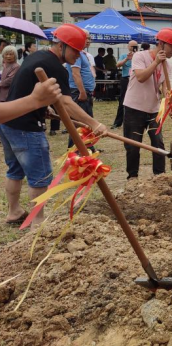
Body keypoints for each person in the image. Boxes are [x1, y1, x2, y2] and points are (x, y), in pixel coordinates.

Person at [0, 24, 106, 227]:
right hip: (27, 128)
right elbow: (66, 102)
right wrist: (94, 123)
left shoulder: (37, 57)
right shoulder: (55, 67)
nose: (79, 55)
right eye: (76, 50)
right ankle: (38, 222)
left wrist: (43, 109)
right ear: (61, 46)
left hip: (8, 123)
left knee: (14, 170)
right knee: (40, 177)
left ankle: (14, 212)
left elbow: (25, 89)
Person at [123, 28, 172, 180]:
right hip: (134, 107)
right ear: (161, 43)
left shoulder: (168, 66)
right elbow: (141, 77)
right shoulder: (139, 56)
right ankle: (132, 177)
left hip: (154, 110)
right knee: (133, 145)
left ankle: (159, 177)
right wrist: (156, 62)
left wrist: (170, 101)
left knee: (158, 143)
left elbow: (165, 86)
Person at [67, 32, 96, 149]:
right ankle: (76, 150)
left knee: (86, 122)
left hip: (85, 92)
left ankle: (87, 147)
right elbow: (75, 74)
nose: (88, 41)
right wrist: (82, 92)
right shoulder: (76, 54)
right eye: (86, 38)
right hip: (79, 93)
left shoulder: (83, 54)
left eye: (90, 38)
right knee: (80, 123)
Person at [112, 40, 138, 129]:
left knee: (136, 101)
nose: (133, 48)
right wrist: (127, 58)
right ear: (128, 46)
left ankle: (135, 121)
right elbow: (118, 65)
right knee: (122, 100)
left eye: (135, 46)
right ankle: (118, 122)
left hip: (136, 79)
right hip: (126, 79)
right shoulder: (124, 55)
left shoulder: (139, 56)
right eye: (132, 46)